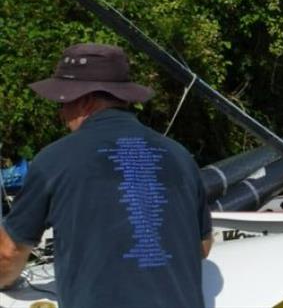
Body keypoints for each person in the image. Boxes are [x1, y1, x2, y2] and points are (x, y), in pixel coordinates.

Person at [0, 43, 212, 308]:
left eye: (62, 102)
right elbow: (201, 247)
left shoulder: (54, 160)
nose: (61, 114)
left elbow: (8, 255)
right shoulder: (180, 155)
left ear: (85, 100)